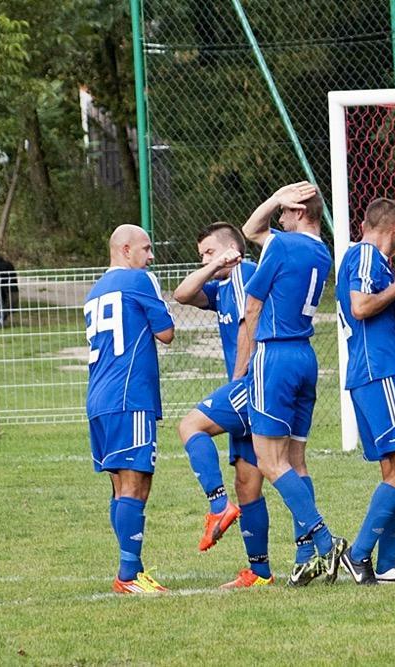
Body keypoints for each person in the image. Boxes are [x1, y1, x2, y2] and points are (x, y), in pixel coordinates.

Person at [236, 181, 347, 586]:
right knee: (296, 462)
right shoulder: (322, 252)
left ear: (299, 213)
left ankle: (324, 539)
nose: (278, 217)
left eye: (284, 211)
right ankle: (305, 557)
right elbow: (255, 233)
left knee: (268, 461)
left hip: (276, 355)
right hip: (305, 356)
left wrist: (242, 368)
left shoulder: (283, 247)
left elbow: (252, 305)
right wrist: (278, 199)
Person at [173, 222, 274, 589]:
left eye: (210, 252)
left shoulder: (248, 275)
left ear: (233, 250)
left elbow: (250, 327)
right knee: (248, 485)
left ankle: (218, 507)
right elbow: (182, 295)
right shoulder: (221, 287)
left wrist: (237, 379)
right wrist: (213, 266)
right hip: (246, 386)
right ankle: (259, 572)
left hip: (250, 383)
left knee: (189, 426)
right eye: (201, 255)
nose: (204, 260)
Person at [335, 198, 395, 585]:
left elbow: (377, 309)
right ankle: (357, 555)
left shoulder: (359, 260)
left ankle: (387, 565)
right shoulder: (368, 256)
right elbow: (361, 306)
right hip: (380, 373)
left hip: (365, 374)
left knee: (393, 471)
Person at [84, 224, 175, 594]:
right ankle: (128, 575)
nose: (151, 256)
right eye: (146, 248)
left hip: (99, 399)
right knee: (136, 485)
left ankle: (130, 572)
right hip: (130, 395)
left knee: (122, 487)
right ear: (125, 249)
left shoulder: (94, 291)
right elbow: (166, 332)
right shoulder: (140, 281)